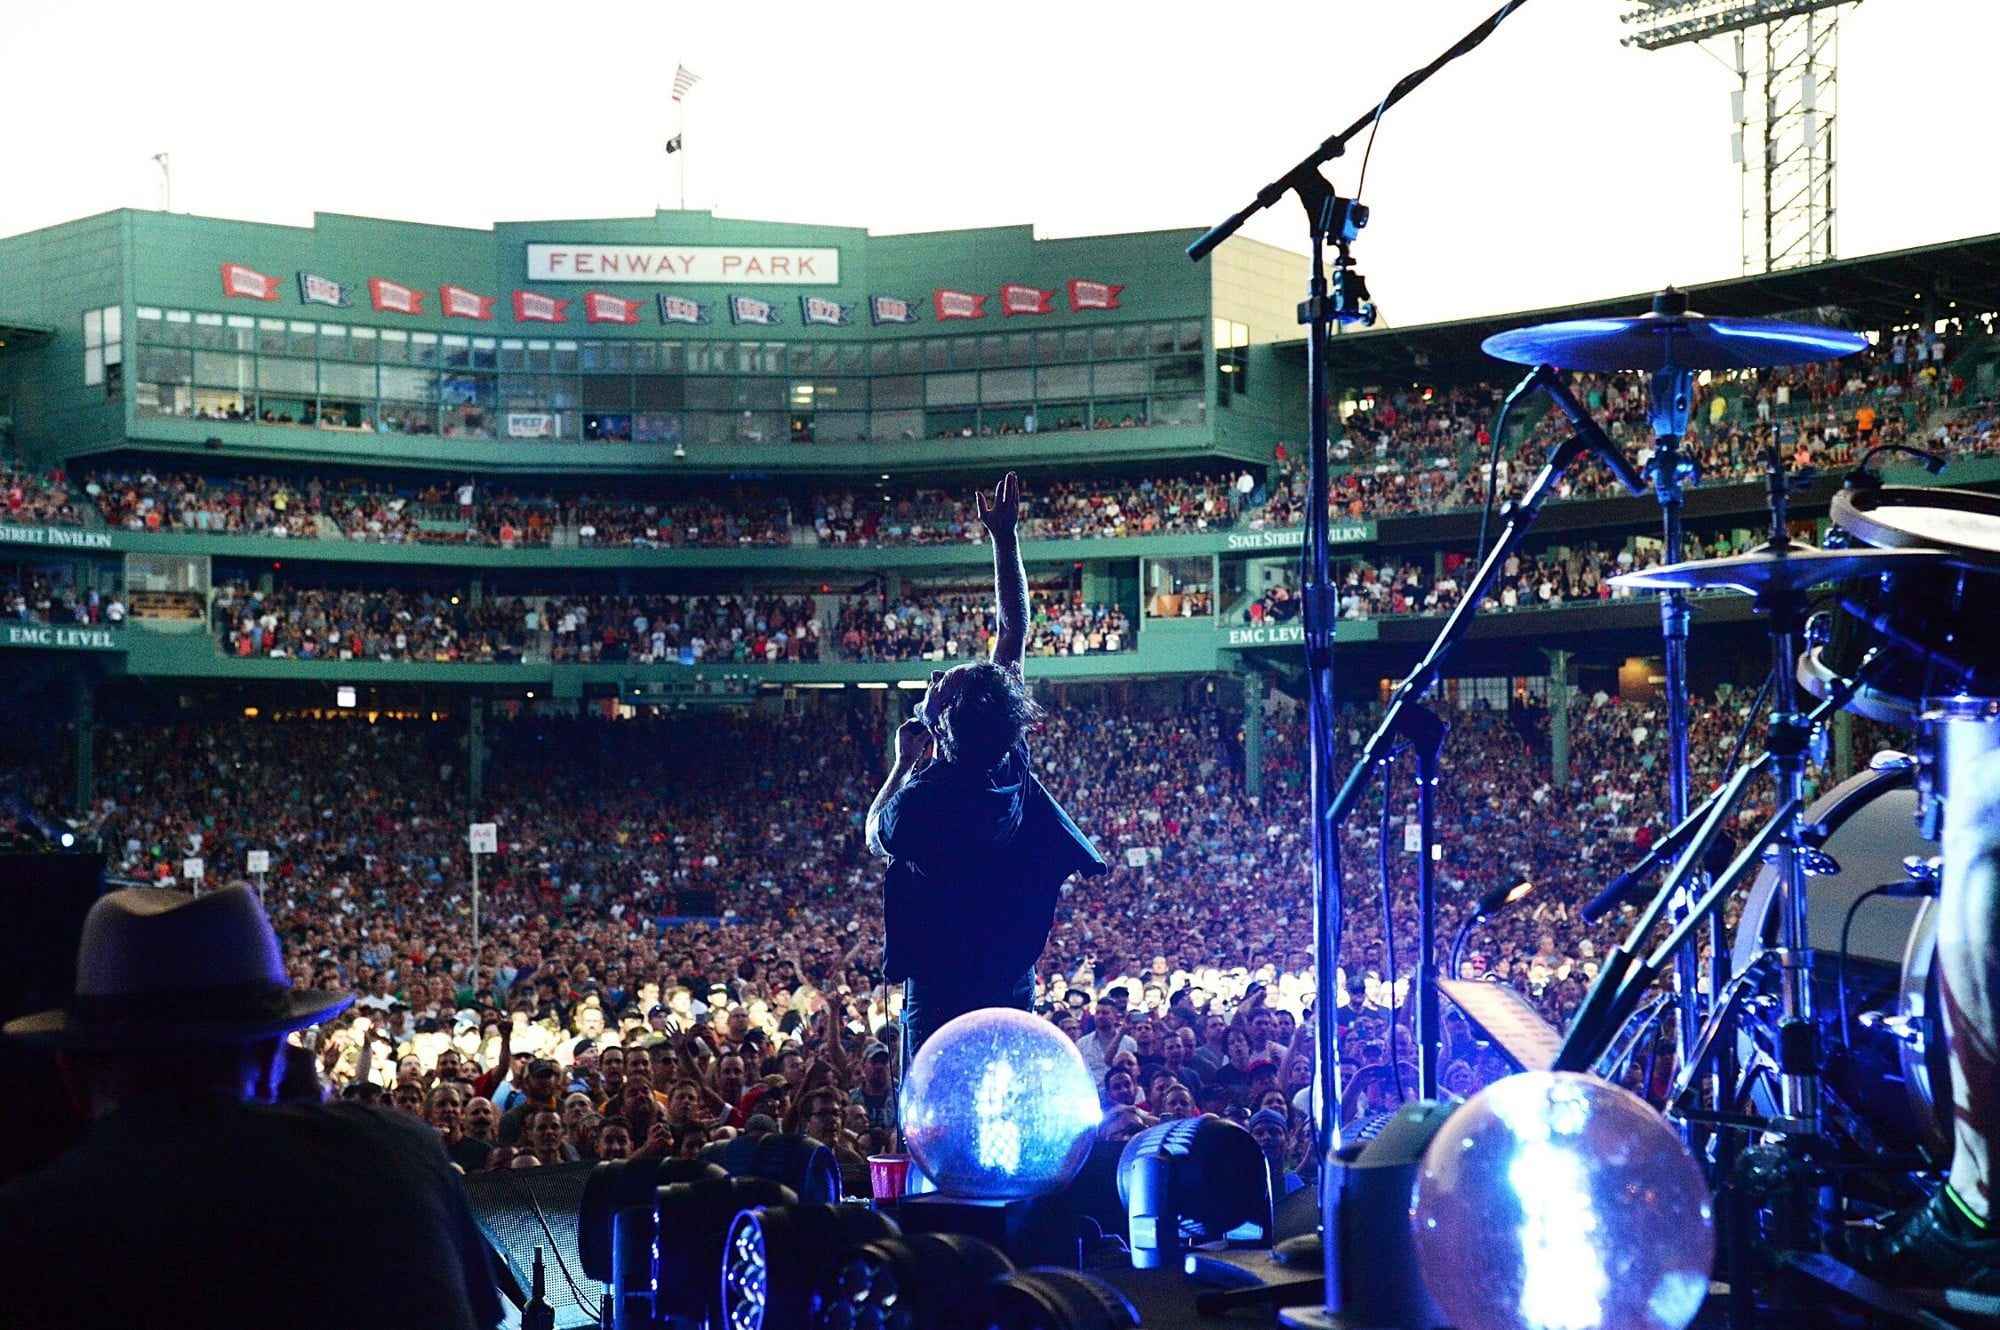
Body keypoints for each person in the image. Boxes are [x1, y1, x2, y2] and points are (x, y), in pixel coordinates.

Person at [0, 883, 502, 1329]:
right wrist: (331, 1127)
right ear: (276, 1055)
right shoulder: (400, 1152)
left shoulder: (21, 1230)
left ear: (71, 1075)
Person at [868, 472, 1108, 1054]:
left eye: (937, 686)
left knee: (933, 1109)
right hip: (1008, 974)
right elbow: (1013, 629)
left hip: (941, 984)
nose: (930, 681)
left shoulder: (922, 800)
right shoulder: (1007, 759)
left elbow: (877, 837)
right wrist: (1005, 538)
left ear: (942, 722)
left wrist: (903, 764)